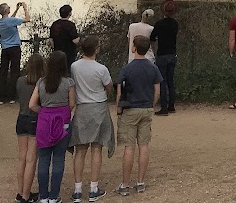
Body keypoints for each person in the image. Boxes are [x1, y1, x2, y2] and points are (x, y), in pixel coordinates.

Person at [114, 34, 163, 196]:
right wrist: (152, 104)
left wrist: (119, 108)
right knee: (144, 145)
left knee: (129, 147)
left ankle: (125, 184)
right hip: (146, 108)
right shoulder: (152, 67)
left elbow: (120, 90)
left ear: (134, 48)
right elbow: (157, 89)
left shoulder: (128, 68)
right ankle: (140, 181)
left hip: (130, 109)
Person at [70, 35, 114, 202]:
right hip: (98, 108)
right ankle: (94, 188)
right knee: (97, 147)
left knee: (80, 150)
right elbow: (108, 86)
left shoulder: (74, 66)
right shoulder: (101, 69)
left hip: (82, 108)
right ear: (96, 49)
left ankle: (77, 189)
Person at [29, 51, 76, 203]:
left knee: (43, 159)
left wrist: (44, 112)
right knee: (58, 159)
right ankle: (54, 196)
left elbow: (32, 104)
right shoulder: (68, 83)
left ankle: (43, 196)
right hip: (62, 122)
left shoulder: (41, 82)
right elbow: (72, 104)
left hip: (44, 122)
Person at [16, 54, 45, 203]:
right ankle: (26, 196)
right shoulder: (41, 83)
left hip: (21, 118)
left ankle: (21, 191)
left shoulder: (20, 81)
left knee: (22, 157)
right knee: (31, 159)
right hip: (34, 118)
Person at [150, 0, 179, 115]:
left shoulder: (159, 24)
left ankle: (164, 107)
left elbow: (152, 37)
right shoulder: (175, 24)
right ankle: (171, 105)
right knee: (171, 80)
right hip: (172, 53)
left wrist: (155, 45)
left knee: (162, 81)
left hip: (162, 54)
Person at [0, 1, 30, 104]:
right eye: (8, 7)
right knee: (14, 71)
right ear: (6, 10)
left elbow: (10, 19)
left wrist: (16, 9)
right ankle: (13, 96)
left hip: (5, 49)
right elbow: (27, 19)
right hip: (14, 48)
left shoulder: (0, 22)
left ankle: (1, 97)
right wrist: (25, 8)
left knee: (3, 72)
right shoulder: (11, 20)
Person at [49, 5, 80, 72]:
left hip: (57, 52)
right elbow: (75, 40)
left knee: (57, 71)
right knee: (68, 71)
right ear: (69, 13)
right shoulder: (71, 25)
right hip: (69, 54)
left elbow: (51, 40)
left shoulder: (54, 24)